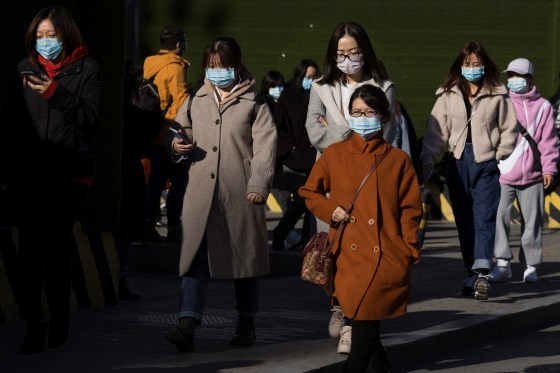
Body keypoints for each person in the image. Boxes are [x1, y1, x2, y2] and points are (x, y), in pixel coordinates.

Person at [165, 37, 277, 352]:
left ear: (237, 65)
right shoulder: (195, 99)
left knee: (245, 261)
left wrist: (258, 185)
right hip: (201, 193)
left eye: (222, 66)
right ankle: (187, 322)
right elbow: (178, 132)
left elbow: (265, 149)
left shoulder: (255, 102)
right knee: (194, 259)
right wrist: (175, 146)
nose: (216, 72)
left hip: (240, 193)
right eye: (211, 66)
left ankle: (246, 322)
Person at [300, 84, 422, 372]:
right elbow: (309, 192)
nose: (362, 118)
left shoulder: (397, 160)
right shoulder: (335, 154)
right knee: (362, 323)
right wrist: (332, 210)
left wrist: (408, 249)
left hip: (386, 255)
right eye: (356, 112)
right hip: (347, 256)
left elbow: (411, 210)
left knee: (364, 326)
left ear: (382, 116)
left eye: (369, 112)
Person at [4, 6, 103, 353]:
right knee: (29, 252)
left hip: (70, 174)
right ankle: (35, 323)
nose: (45, 42)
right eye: (39, 36)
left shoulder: (86, 69)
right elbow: (13, 121)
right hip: (29, 174)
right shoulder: (24, 70)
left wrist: (54, 92)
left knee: (54, 244)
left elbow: (91, 116)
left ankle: (60, 315)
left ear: (66, 36)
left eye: (52, 35)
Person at [305, 21, 396, 353]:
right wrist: (349, 133)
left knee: (362, 256)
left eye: (353, 52)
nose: (347, 59)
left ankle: (353, 324)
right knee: (334, 251)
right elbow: (313, 129)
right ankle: (338, 305)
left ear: (364, 51)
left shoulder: (383, 86)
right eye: (341, 53)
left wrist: (339, 129)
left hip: (369, 181)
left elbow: (388, 133)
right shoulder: (320, 86)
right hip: (331, 182)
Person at [420, 41, 518, 300]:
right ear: (459, 65)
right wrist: (428, 159)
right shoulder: (447, 95)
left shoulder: (498, 93)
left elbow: (510, 127)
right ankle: (473, 276)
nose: (472, 68)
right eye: (467, 63)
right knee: (465, 222)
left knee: (484, 218)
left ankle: (483, 270)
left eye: (476, 63)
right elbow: (436, 131)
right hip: (457, 162)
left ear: (484, 65)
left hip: (486, 163)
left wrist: (500, 153)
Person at [488, 58, 559, 284]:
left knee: (533, 221)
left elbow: (549, 142)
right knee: (499, 217)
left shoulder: (544, 107)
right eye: (510, 75)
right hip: (503, 173)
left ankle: (530, 266)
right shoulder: (502, 102)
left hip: (533, 175)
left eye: (518, 76)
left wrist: (549, 169)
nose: (513, 80)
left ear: (530, 78)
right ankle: (502, 264)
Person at [142, 25, 190, 243]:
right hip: (169, 134)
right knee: (178, 184)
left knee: (154, 183)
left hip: (152, 131)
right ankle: (174, 227)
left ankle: (148, 225)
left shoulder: (149, 63)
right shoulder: (175, 68)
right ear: (178, 45)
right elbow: (181, 101)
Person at [271, 59, 319, 251]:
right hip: (294, 160)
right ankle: (280, 233)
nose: (311, 80)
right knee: (301, 200)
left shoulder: (317, 95)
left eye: (314, 76)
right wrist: (290, 147)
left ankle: (309, 241)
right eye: (308, 76)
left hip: (314, 157)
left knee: (314, 203)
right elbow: (278, 125)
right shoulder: (288, 96)